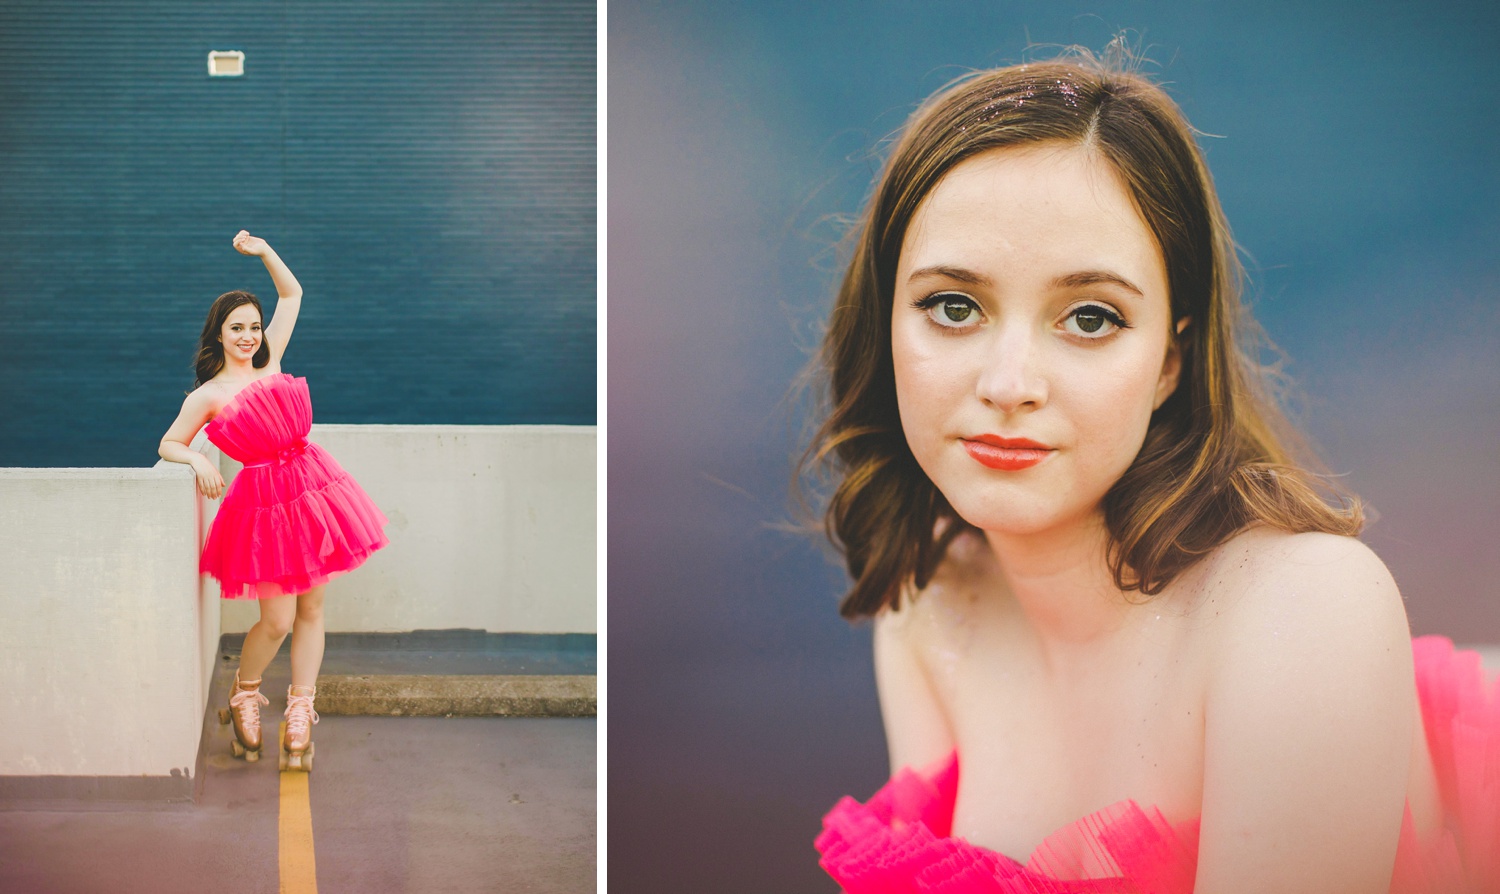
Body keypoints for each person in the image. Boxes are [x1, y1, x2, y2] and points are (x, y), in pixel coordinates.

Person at [803, 51, 1497, 892]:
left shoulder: (1302, 610)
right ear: (884, 325)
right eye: (954, 308)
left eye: (1090, 318)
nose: (1009, 385)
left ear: (1171, 360)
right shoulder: (931, 608)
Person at [158, 231, 389, 772]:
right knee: (277, 620)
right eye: (236, 328)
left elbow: (292, 295)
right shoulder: (208, 394)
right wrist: (197, 460)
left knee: (312, 607)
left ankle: (301, 706)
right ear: (218, 333)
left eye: (252, 327)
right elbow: (169, 442)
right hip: (263, 505)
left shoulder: (273, 357)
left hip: (311, 488)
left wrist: (264, 253)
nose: (247, 336)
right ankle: (244, 691)